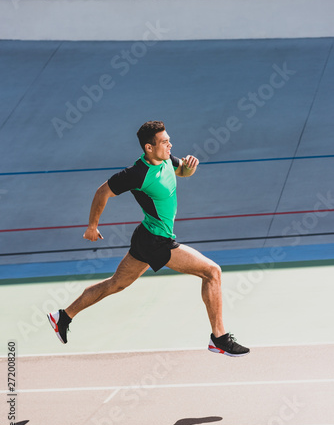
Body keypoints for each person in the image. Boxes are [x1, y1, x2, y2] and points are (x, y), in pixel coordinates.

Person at [47, 121, 249, 357]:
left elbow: (182, 171)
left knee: (116, 284)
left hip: (145, 236)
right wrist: (92, 226)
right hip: (156, 241)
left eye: (169, 140)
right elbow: (102, 191)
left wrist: (190, 167)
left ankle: (63, 316)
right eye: (164, 142)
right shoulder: (137, 174)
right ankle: (219, 337)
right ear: (149, 148)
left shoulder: (166, 160)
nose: (170, 145)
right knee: (212, 272)